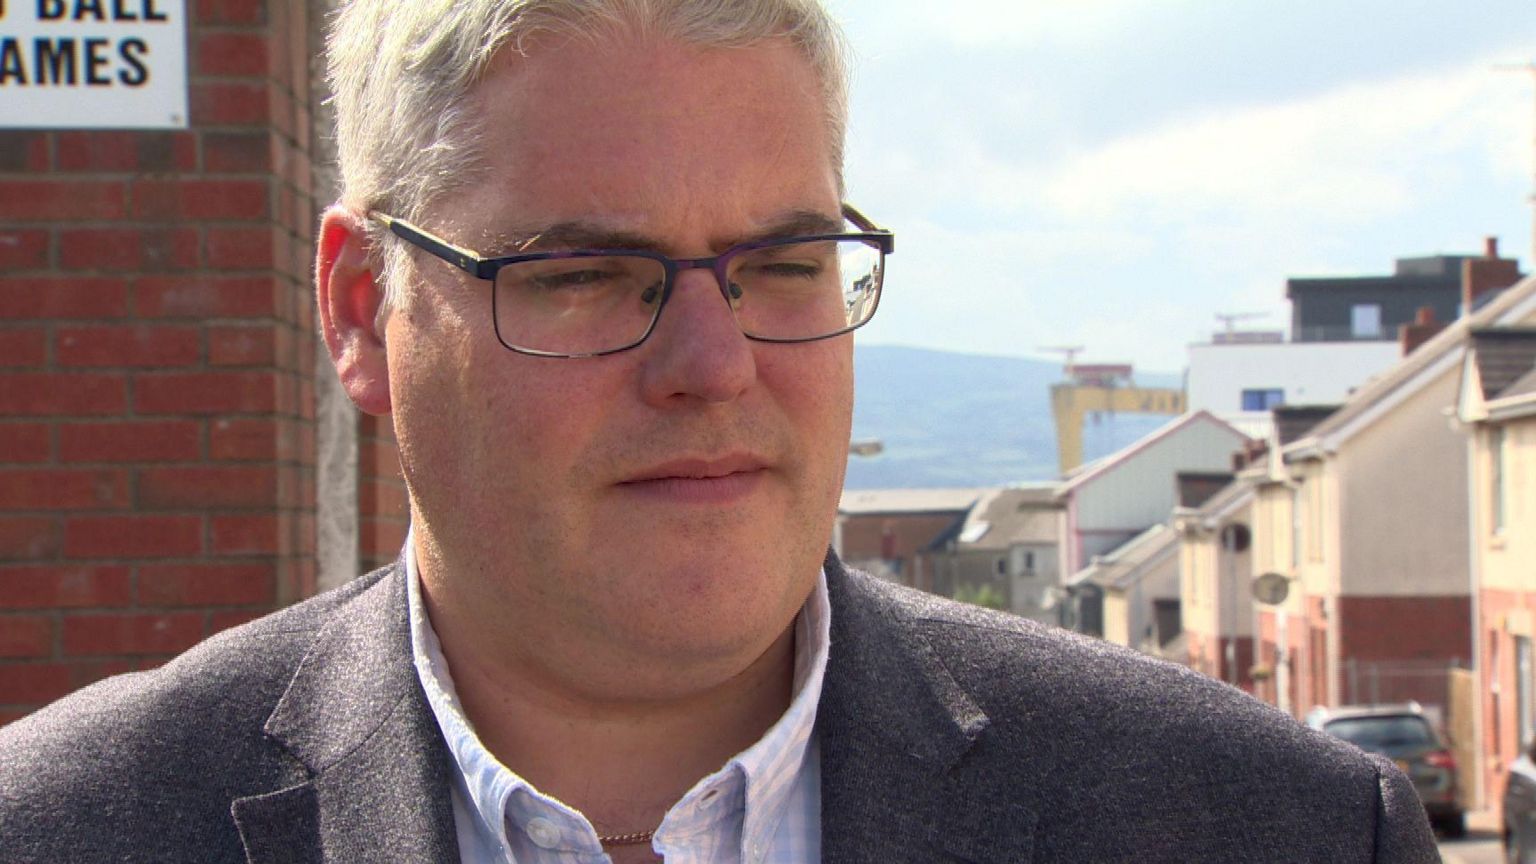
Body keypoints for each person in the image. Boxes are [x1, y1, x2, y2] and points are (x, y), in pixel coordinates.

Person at [0, 1, 1438, 861]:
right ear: (362, 308)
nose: (713, 359)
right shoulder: (69, 833)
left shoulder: (1262, 831)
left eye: (785, 262)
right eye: (581, 274)